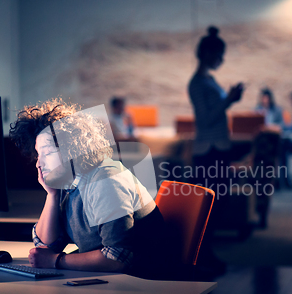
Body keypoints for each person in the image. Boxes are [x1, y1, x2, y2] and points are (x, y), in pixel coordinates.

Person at [9, 99, 173, 278]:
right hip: (110, 281)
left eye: (47, 153)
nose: (39, 164)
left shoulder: (106, 180)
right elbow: (46, 246)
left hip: (145, 285)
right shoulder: (69, 182)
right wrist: (52, 195)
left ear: (71, 149)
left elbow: (117, 258)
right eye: (38, 155)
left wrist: (55, 261)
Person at [188, 26, 244, 275]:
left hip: (216, 149)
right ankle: (201, 255)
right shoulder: (198, 83)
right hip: (209, 151)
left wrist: (229, 100)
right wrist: (229, 100)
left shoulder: (208, 80)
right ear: (208, 53)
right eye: (220, 54)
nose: (221, 59)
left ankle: (205, 254)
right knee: (209, 206)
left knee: (216, 204)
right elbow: (205, 120)